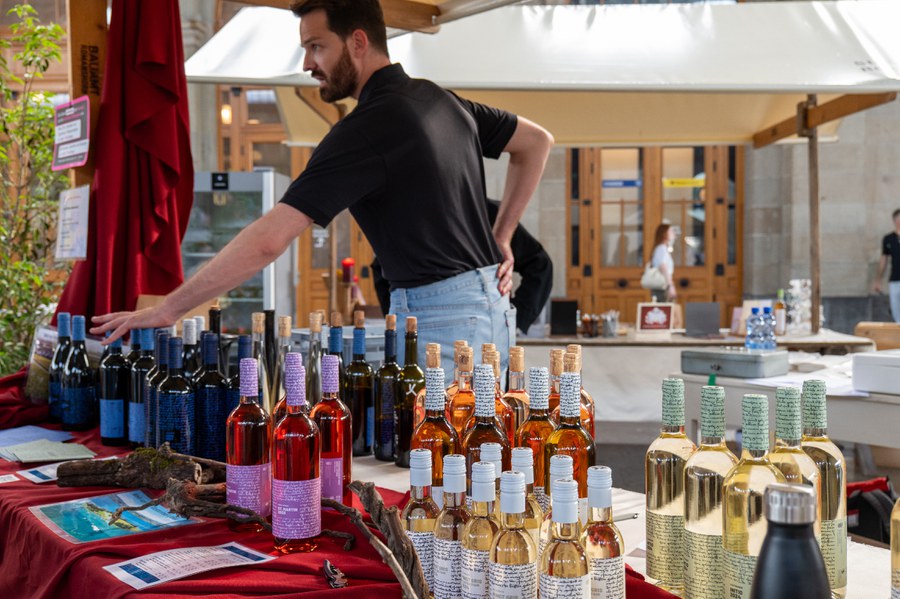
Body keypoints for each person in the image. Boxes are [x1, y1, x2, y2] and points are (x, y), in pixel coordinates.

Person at [91, 0, 554, 371]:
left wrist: (169, 309)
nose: (308, 63)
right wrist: (502, 235)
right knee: (479, 462)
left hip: (442, 318)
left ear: (357, 41)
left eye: (316, 47)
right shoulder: (440, 99)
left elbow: (268, 241)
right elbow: (537, 141)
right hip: (488, 310)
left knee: (442, 468)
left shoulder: (366, 129)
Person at [370, 199, 553, 335]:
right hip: (424, 327)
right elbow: (380, 267)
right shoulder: (415, 217)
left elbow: (540, 264)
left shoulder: (491, 215)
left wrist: (516, 318)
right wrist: (396, 322)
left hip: (489, 326)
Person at [874, 208, 900, 322]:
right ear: (894, 220)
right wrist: (878, 280)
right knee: (896, 311)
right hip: (894, 279)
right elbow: (884, 259)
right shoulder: (888, 239)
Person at [650, 223, 678, 302]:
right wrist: (670, 286)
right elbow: (663, 267)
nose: (673, 233)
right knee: (666, 310)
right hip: (662, 286)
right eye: (671, 231)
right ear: (664, 233)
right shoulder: (661, 248)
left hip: (662, 286)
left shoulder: (663, 248)